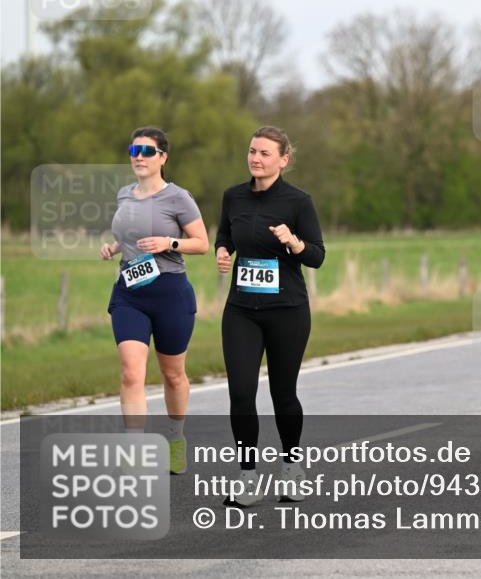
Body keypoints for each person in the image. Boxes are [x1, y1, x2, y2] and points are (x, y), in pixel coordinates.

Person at [216, 126, 326, 506]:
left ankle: (292, 467)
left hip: (287, 312)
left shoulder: (298, 202)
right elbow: (224, 237)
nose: (255, 158)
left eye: (264, 153)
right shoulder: (233, 197)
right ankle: (247, 477)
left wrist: (294, 243)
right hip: (241, 310)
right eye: (252, 151)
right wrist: (222, 252)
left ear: (283, 159)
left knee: (283, 394)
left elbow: (317, 255)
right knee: (241, 393)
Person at [101, 127, 209, 475]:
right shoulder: (124, 195)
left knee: (173, 375)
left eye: (148, 151)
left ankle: (176, 438)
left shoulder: (178, 198)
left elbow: (201, 242)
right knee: (131, 373)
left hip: (170, 293)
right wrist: (114, 247)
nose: (139, 156)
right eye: (135, 149)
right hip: (129, 294)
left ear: (163, 157)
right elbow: (130, 234)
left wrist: (169, 243)